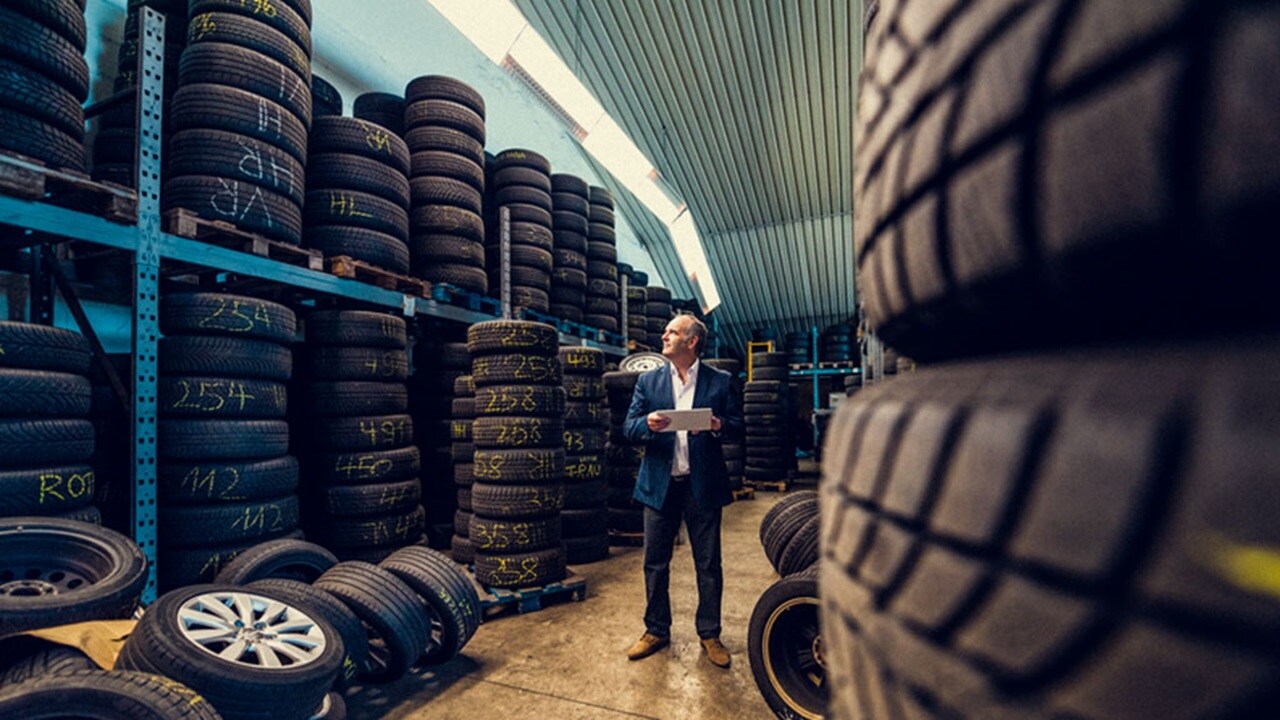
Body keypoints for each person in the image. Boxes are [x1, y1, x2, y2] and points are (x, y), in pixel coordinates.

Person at [622, 313, 743, 668]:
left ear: (692, 342)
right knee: (655, 563)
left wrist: (717, 424)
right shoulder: (649, 381)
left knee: (708, 564)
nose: (664, 336)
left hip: (701, 485)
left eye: (672, 332)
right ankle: (656, 630)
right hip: (660, 485)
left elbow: (738, 427)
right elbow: (628, 427)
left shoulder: (720, 382)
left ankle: (710, 633)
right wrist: (647, 424)